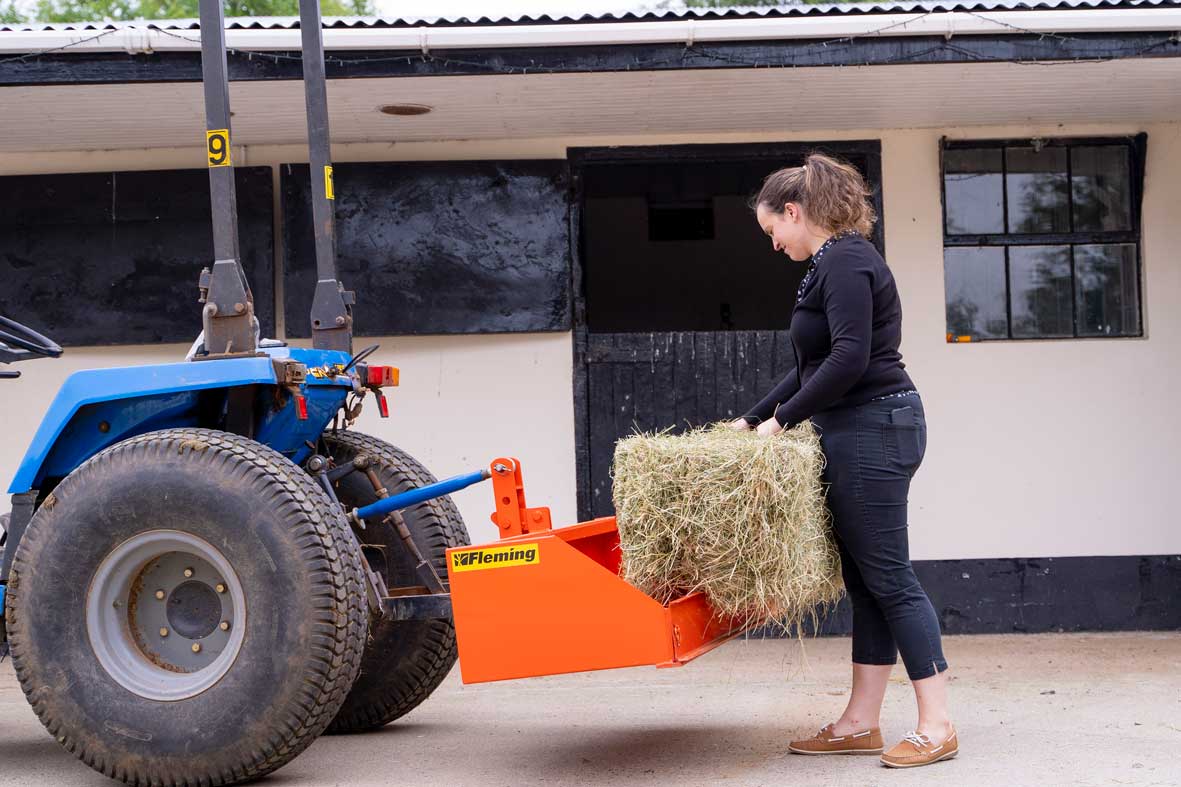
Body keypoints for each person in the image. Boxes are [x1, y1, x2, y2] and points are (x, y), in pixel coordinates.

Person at [729, 153, 957, 769]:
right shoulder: (830, 264)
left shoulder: (849, 259)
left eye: (771, 229)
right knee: (866, 583)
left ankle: (937, 724)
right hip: (856, 427)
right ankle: (860, 722)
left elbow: (851, 359)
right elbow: (811, 367)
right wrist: (753, 418)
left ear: (795, 212)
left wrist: (782, 422)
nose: (773, 243)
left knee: (890, 579)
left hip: (874, 426)